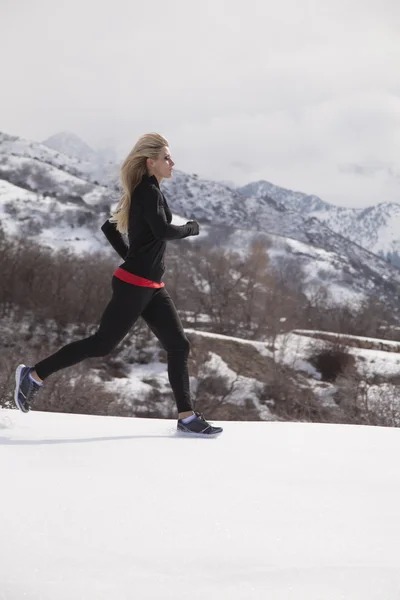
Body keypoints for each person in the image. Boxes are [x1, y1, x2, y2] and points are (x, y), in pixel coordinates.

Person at [14, 133, 223, 436]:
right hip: (135, 284)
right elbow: (163, 231)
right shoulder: (147, 192)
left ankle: (187, 417)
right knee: (102, 344)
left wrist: (132, 256)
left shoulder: (147, 191)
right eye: (167, 158)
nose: (172, 163)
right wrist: (191, 229)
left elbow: (109, 227)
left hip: (151, 285)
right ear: (151, 162)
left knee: (179, 345)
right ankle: (33, 375)